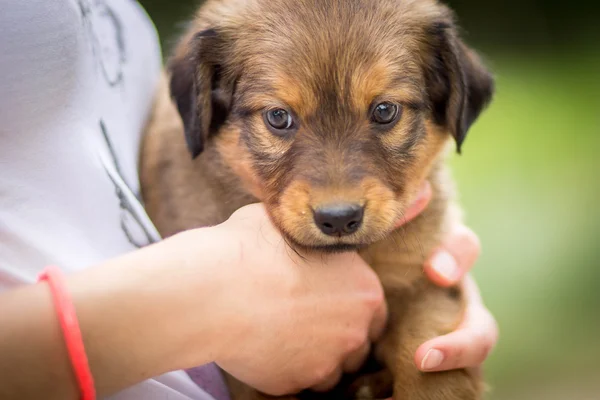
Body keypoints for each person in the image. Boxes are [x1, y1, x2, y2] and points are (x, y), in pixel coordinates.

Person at [0, 1, 498, 399]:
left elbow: (428, 297)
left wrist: (424, 288)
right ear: (205, 108)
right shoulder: (191, 161)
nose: (338, 198)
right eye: (279, 119)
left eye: (385, 112)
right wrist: (210, 306)